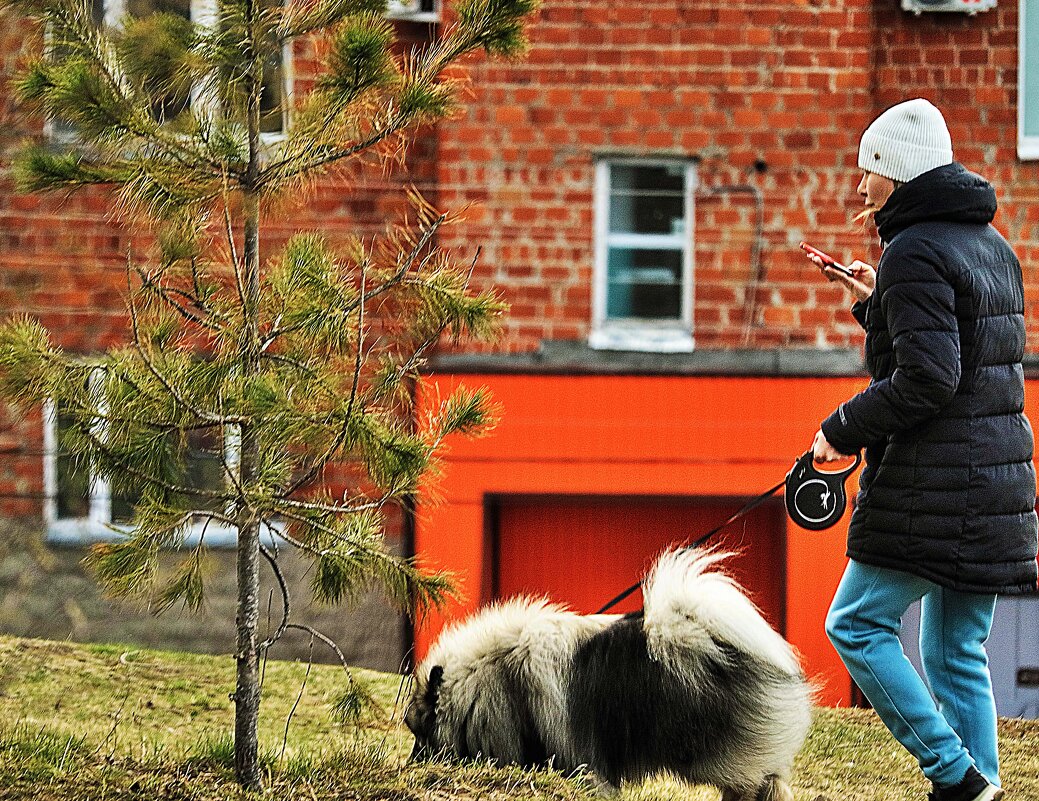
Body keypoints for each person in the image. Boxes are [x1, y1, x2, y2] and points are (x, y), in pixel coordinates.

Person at [806, 98, 1039, 801]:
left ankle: (949, 769)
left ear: (898, 174)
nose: (859, 187)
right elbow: (960, 356)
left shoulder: (912, 250)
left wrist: (836, 429)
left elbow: (925, 380)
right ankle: (982, 786)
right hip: (996, 482)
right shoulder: (987, 244)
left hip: (937, 485)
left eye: (869, 170)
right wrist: (874, 300)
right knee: (953, 650)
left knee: (855, 622)